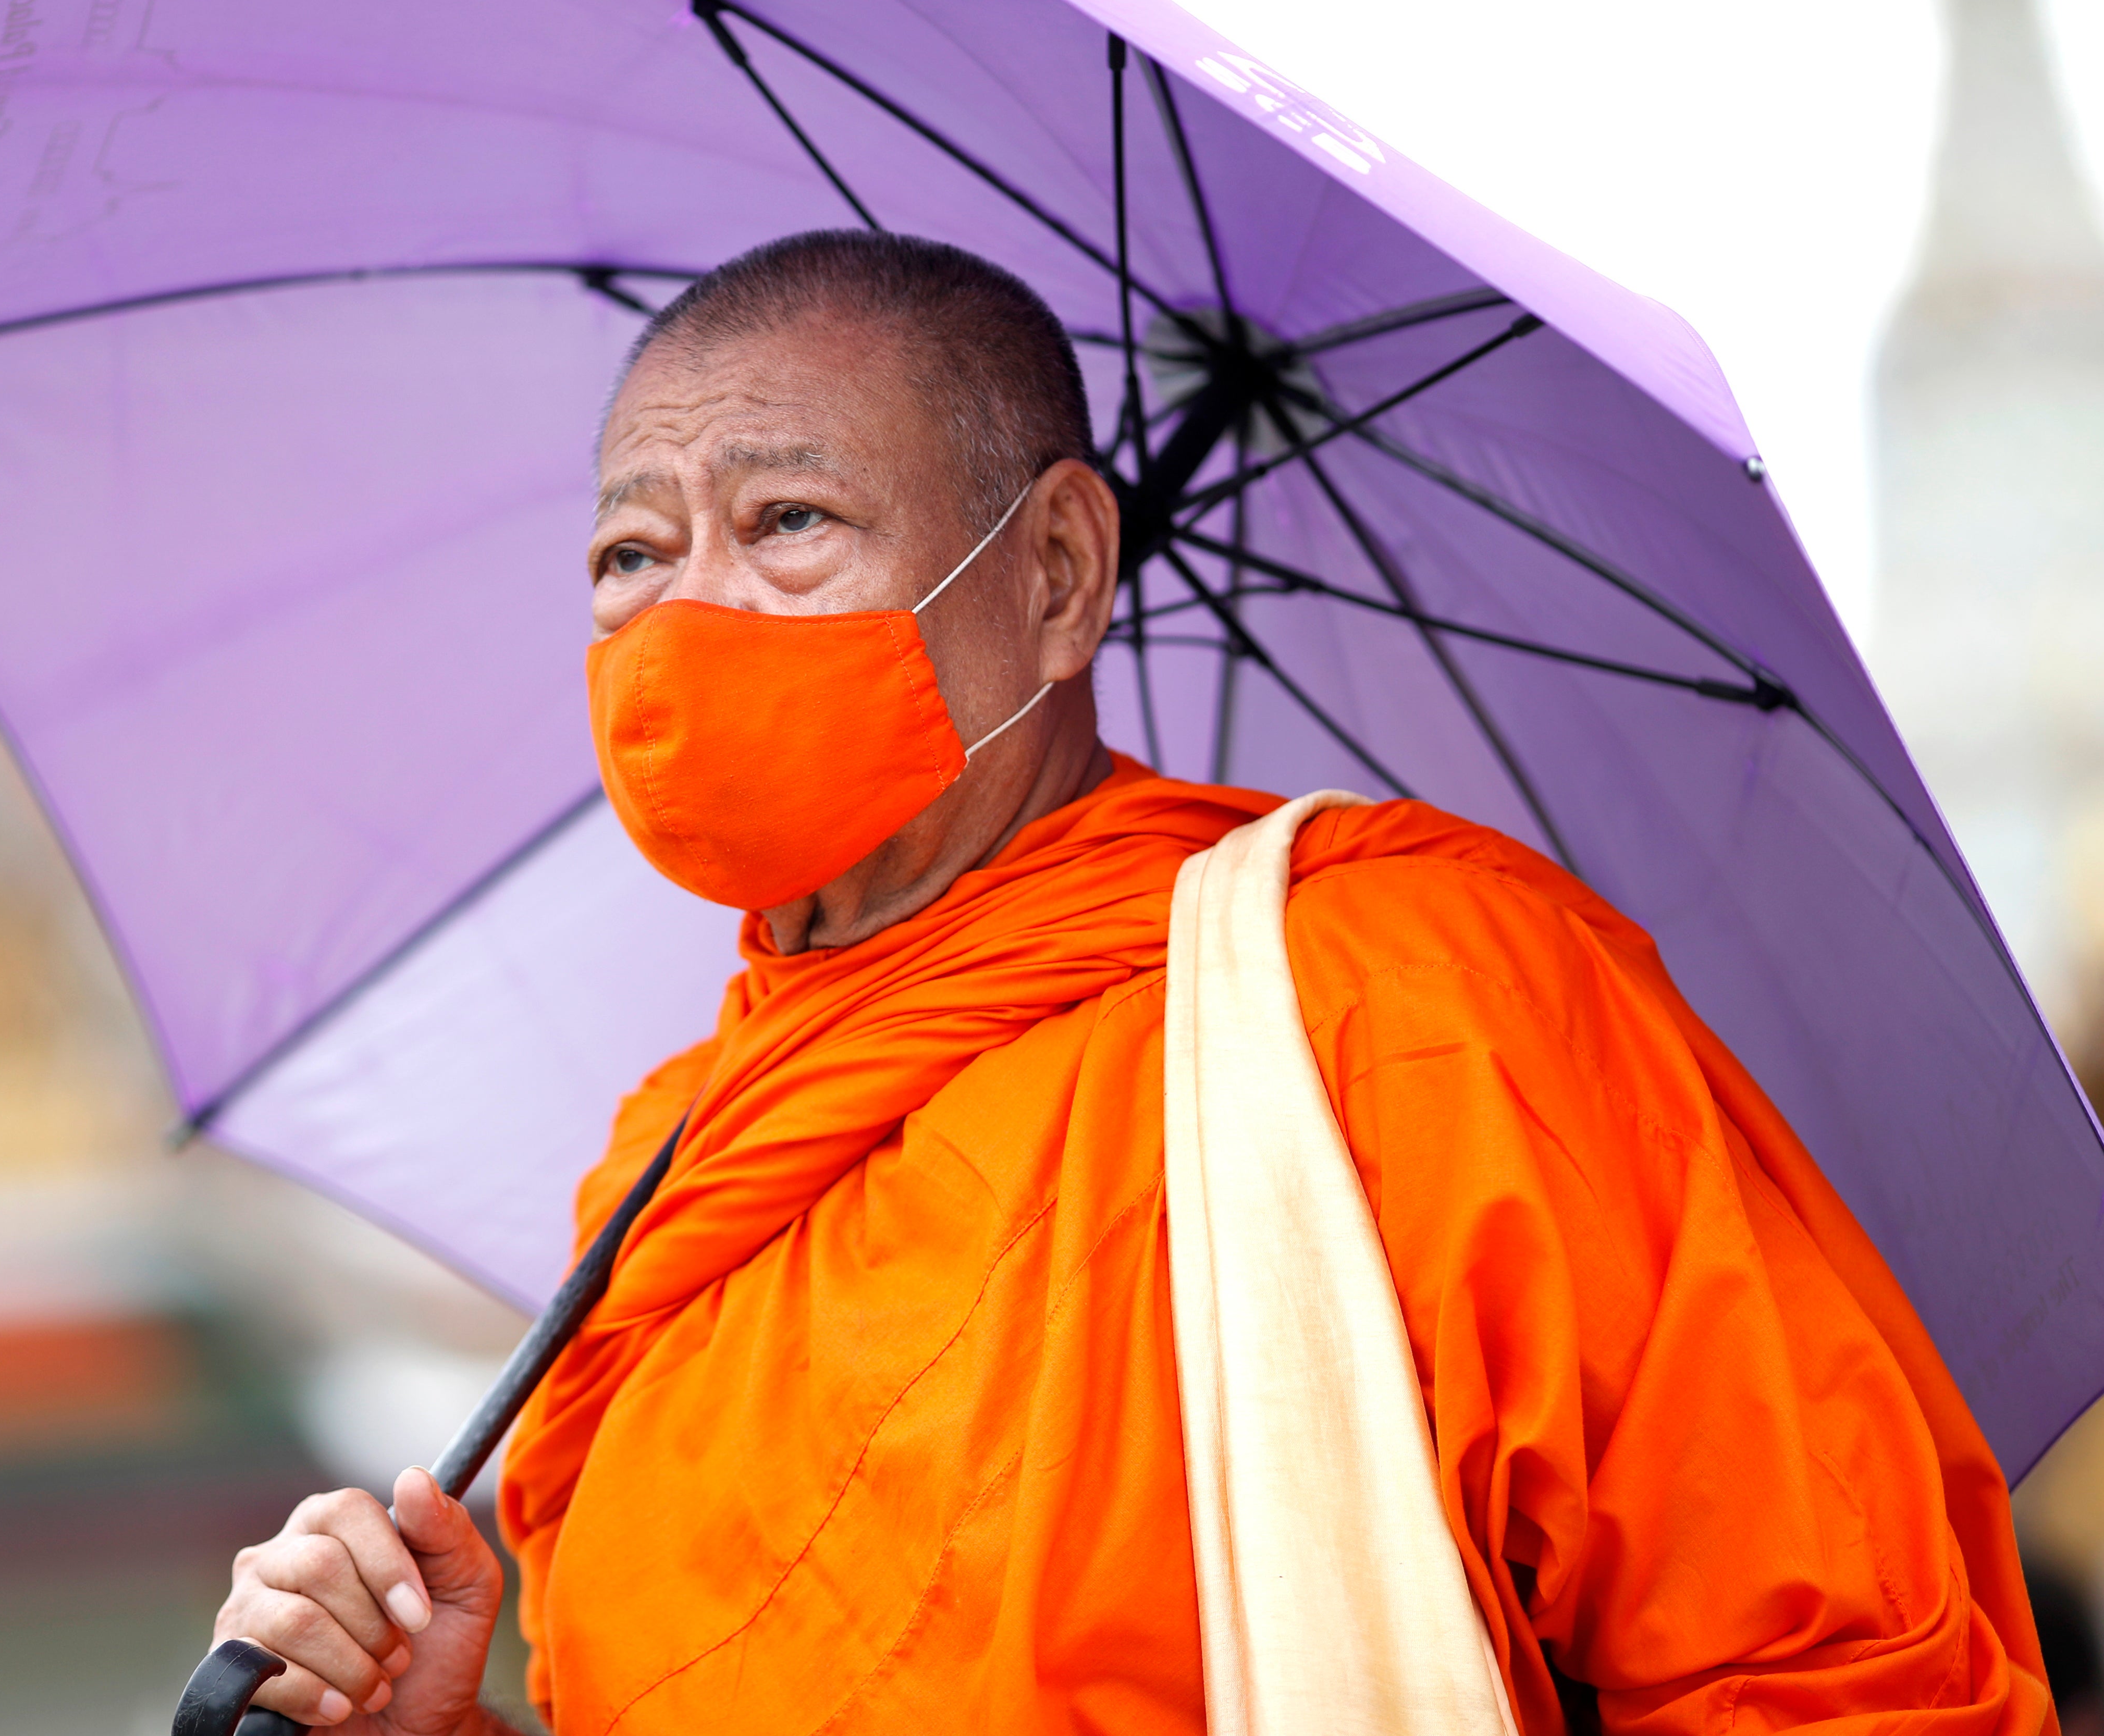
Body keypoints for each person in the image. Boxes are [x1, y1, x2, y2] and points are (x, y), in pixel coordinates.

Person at [211, 230, 2057, 1734]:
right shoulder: (672, 1172)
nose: (689, 618)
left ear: (1063, 573)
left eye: (787, 525)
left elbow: (1825, 1671)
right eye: (631, 553)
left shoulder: (1402, 998)